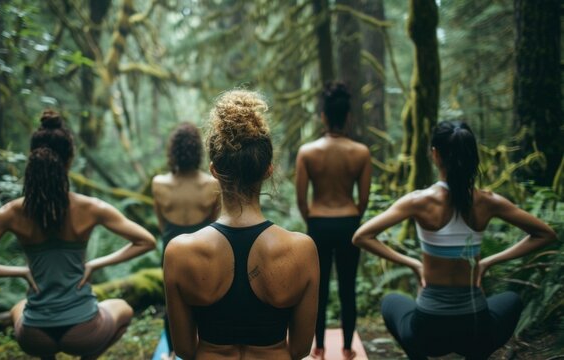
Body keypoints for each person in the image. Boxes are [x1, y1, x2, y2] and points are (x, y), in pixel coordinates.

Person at [0, 110, 156, 360]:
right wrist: (94, 264)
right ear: (69, 160)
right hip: (84, 331)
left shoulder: (10, 213)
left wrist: (21, 271)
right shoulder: (92, 208)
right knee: (122, 309)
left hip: (34, 336)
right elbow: (146, 241)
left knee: (19, 307)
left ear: (32, 157)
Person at [352, 121, 557, 359]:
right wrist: (488, 261)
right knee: (511, 300)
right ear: (472, 157)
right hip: (475, 329)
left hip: (427, 332)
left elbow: (361, 236)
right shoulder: (488, 202)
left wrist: (413, 264)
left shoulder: (418, 201)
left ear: (435, 154)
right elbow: (546, 234)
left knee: (390, 302)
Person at [163, 90, 320, 360]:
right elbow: (300, 349)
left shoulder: (179, 252)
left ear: (214, 170)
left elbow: (185, 350)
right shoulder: (302, 249)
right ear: (268, 170)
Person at [295, 81, 372, 359]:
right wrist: (352, 216)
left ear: (324, 116)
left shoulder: (307, 153)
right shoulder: (361, 153)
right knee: (348, 288)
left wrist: (312, 219)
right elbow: (363, 199)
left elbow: (301, 199)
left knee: (318, 287)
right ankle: (349, 348)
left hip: (318, 224)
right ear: (348, 117)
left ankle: (318, 347)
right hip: (349, 223)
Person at [152, 121, 221, 359]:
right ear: (198, 151)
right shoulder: (212, 185)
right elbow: (215, 225)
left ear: (173, 151)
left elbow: (162, 226)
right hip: (204, 253)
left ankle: (172, 352)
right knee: (206, 302)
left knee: (172, 305)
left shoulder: (158, 184)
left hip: (171, 253)